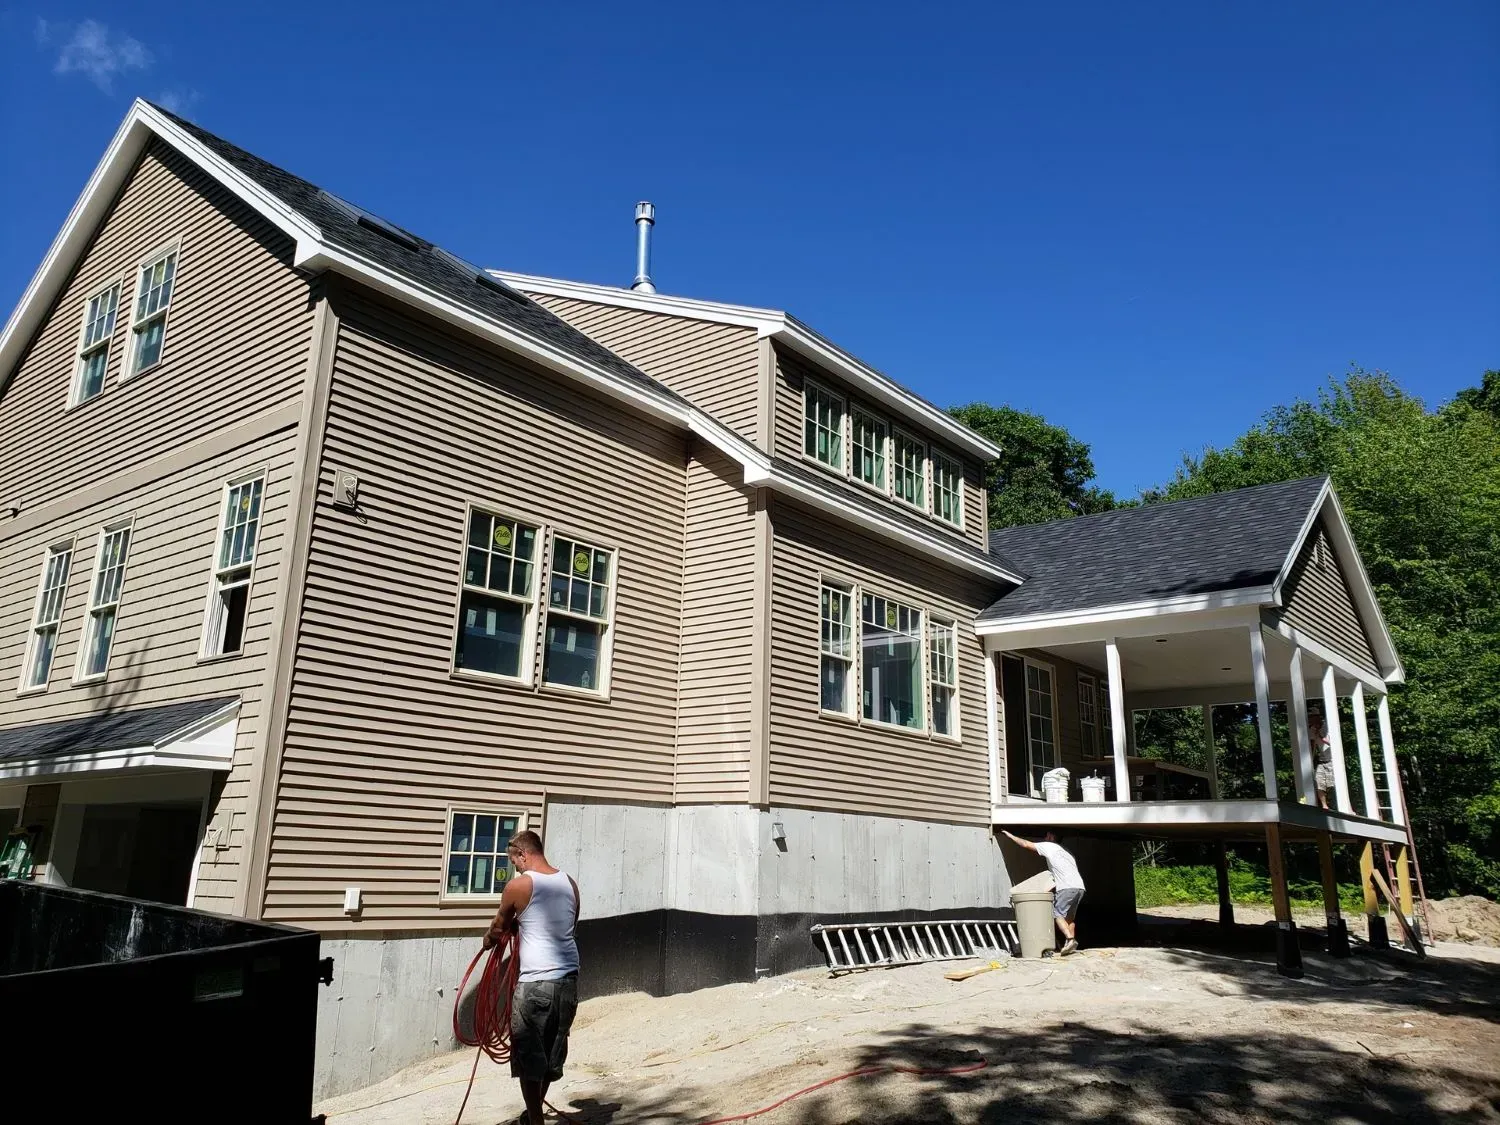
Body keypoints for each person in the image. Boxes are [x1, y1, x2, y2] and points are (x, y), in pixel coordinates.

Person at [485, 830, 580, 1125]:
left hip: (535, 983)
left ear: (523, 854)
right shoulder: (570, 884)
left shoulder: (519, 885)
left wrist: (489, 939)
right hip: (569, 981)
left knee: (528, 1057)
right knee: (551, 1054)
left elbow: (500, 927)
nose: (515, 867)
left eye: (515, 861)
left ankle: (535, 1120)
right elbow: (570, 922)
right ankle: (533, 1113)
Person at [1002, 829, 1085, 956]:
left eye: (1047, 835)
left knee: (1057, 914)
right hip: (1079, 887)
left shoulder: (1049, 846)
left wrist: (1009, 835)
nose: (1045, 837)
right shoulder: (1067, 852)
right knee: (1069, 918)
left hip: (1066, 887)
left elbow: (1025, 844)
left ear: (1051, 836)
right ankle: (1070, 947)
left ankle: (1070, 939)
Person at [1310, 713, 1334, 809]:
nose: (1312, 721)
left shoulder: (1327, 726)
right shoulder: (1312, 730)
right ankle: (1324, 805)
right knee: (1319, 781)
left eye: (1313, 718)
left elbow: (1331, 742)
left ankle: (1335, 803)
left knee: (1332, 784)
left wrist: (1320, 736)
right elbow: (1313, 745)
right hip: (1322, 760)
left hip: (1332, 759)